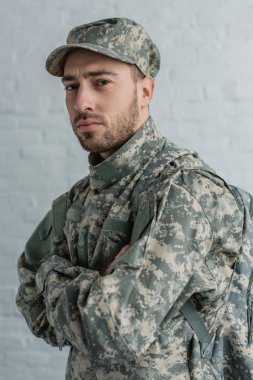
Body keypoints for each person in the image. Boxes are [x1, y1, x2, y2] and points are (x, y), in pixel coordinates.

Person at [16, 18, 245, 379]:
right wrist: (93, 290)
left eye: (101, 82)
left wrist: (53, 274)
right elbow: (31, 304)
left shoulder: (182, 191)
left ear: (145, 91)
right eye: (71, 86)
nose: (82, 101)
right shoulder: (79, 197)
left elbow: (113, 331)